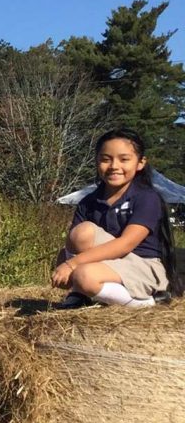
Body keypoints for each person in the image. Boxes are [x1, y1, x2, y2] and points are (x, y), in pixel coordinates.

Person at [52, 128, 178, 309]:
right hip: (110, 263)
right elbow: (77, 243)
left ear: (141, 163)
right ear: (96, 162)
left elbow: (126, 244)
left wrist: (72, 264)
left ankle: (151, 301)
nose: (114, 166)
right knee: (78, 237)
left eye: (124, 159)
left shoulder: (147, 198)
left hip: (142, 264)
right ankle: (80, 293)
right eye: (105, 159)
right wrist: (66, 263)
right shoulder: (88, 202)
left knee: (83, 275)